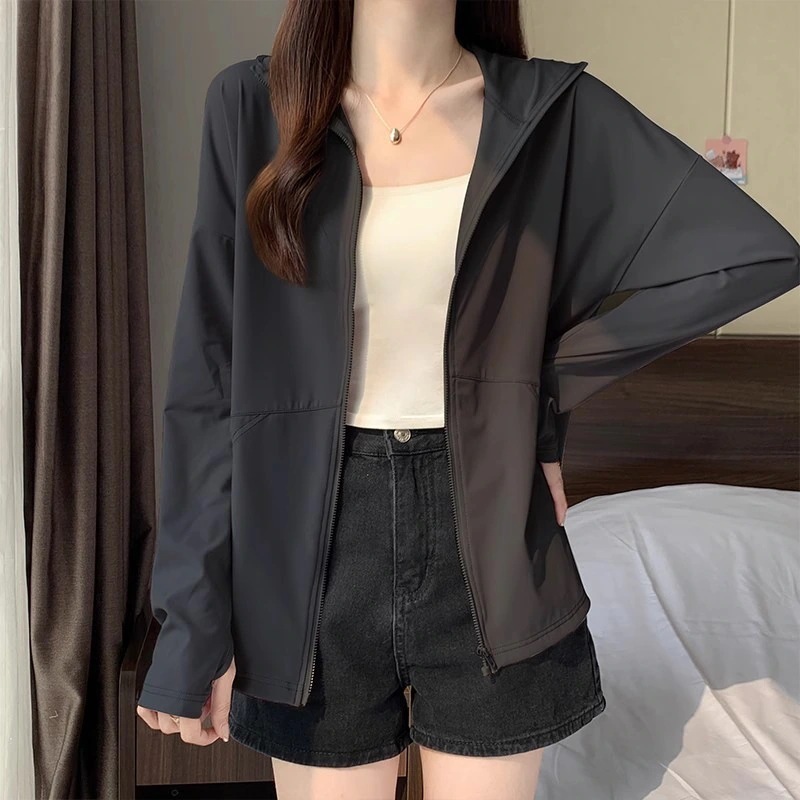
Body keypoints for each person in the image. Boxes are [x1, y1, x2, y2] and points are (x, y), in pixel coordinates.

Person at [136, 1, 800, 798]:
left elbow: (750, 257)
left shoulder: (548, 112)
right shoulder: (253, 105)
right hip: (306, 547)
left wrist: (534, 392)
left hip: (487, 532)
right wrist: (191, 617)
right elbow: (207, 379)